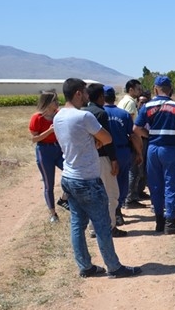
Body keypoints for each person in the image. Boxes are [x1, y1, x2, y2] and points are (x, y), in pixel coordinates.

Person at [52, 78, 141, 278]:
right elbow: (107, 138)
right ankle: (114, 267)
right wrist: (95, 141)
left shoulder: (58, 117)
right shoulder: (83, 117)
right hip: (87, 178)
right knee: (102, 224)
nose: (86, 96)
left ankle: (85, 266)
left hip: (69, 176)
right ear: (77, 93)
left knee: (77, 224)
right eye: (84, 92)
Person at [134, 76, 175, 234]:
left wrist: (150, 135)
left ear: (155, 89)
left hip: (153, 148)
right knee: (171, 184)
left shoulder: (147, 106)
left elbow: (136, 128)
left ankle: (159, 221)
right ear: (170, 88)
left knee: (155, 185)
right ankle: (170, 222)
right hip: (170, 149)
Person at [83, 83, 126, 238]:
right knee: (112, 194)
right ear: (101, 97)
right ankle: (110, 227)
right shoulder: (100, 113)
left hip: (86, 160)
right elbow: (107, 140)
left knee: (93, 196)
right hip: (101, 158)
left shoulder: (81, 112)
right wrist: (114, 159)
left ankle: (93, 228)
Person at [104, 86, 142, 227]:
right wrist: (139, 152)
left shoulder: (99, 113)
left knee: (105, 182)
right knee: (121, 181)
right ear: (114, 97)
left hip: (105, 153)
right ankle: (117, 210)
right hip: (122, 151)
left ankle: (110, 212)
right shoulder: (123, 114)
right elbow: (133, 135)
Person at [29, 89, 69, 223]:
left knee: (73, 173)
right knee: (48, 184)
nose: (58, 102)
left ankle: (64, 199)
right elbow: (34, 139)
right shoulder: (37, 118)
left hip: (58, 149)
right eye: (55, 101)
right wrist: (50, 130)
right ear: (47, 102)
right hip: (44, 151)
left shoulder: (58, 114)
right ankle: (53, 213)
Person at [124, 91, 150, 207]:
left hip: (146, 141)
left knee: (143, 168)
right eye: (141, 102)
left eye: (145, 102)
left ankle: (139, 191)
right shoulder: (135, 115)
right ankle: (130, 197)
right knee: (135, 169)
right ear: (137, 102)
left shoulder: (148, 113)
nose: (143, 105)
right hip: (138, 141)